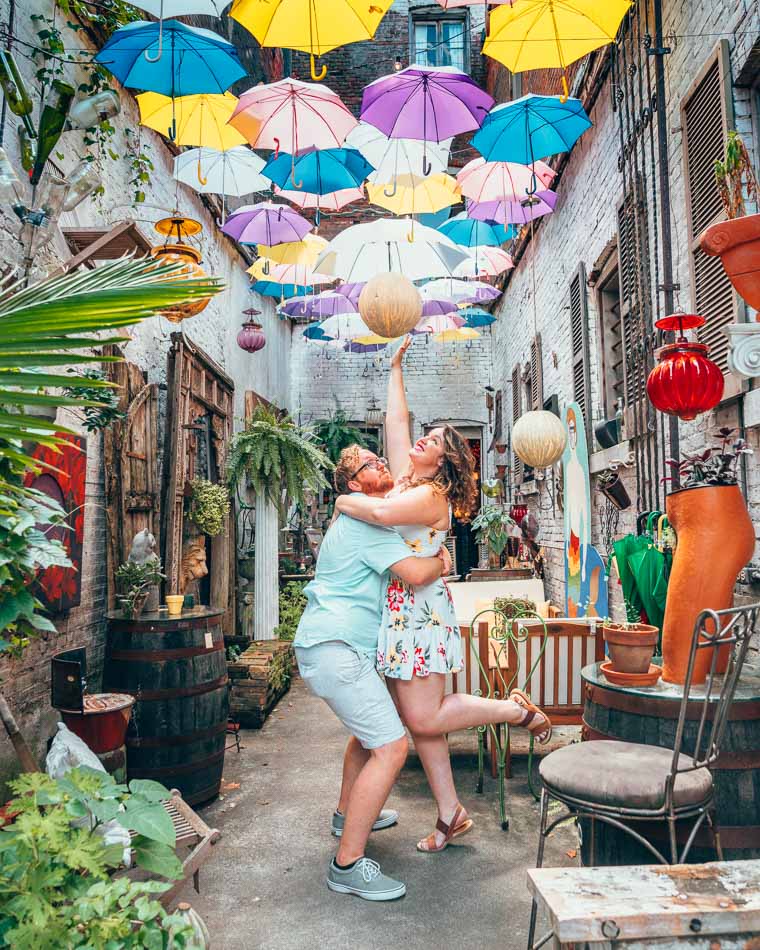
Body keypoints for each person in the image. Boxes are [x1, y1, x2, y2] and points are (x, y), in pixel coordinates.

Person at [334, 336, 552, 853]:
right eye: (424, 436)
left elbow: (383, 515)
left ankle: (514, 711)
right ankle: (450, 814)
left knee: (424, 718)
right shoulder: (410, 479)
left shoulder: (432, 497)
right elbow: (396, 423)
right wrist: (394, 368)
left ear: (445, 460)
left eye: (431, 440)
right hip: (401, 611)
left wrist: (343, 499)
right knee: (422, 721)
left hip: (420, 613)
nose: (419, 441)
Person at [294, 445, 451, 901]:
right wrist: (441, 562)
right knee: (391, 746)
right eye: (370, 464)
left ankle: (348, 814)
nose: (381, 463)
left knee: (367, 737)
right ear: (354, 485)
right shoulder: (368, 523)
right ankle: (347, 864)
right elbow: (416, 574)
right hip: (336, 649)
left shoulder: (361, 516)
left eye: (378, 458)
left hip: (332, 646)